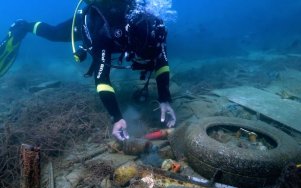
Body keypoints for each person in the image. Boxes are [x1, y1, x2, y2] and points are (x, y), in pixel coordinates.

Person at [3, 0, 176, 141]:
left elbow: (162, 63)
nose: (143, 57)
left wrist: (165, 99)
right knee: (55, 33)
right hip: (90, 25)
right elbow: (102, 79)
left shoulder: (155, 31)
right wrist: (117, 117)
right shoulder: (105, 33)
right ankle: (24, 26)